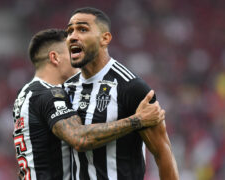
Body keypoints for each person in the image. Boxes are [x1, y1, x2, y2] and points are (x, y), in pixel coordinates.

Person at [12, 29, 165, 180]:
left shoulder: (25, 94)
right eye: (72, 53)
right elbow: (79, 138)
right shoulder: (49, 95)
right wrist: (137, 120)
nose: (79, 62)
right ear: (55, 58)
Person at [64, 7, 179, 180]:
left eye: (82, 29)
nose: (73, 36)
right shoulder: (66, 89)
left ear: (105, 38)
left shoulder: (131, 88)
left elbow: (163, 154)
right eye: (69, 31)